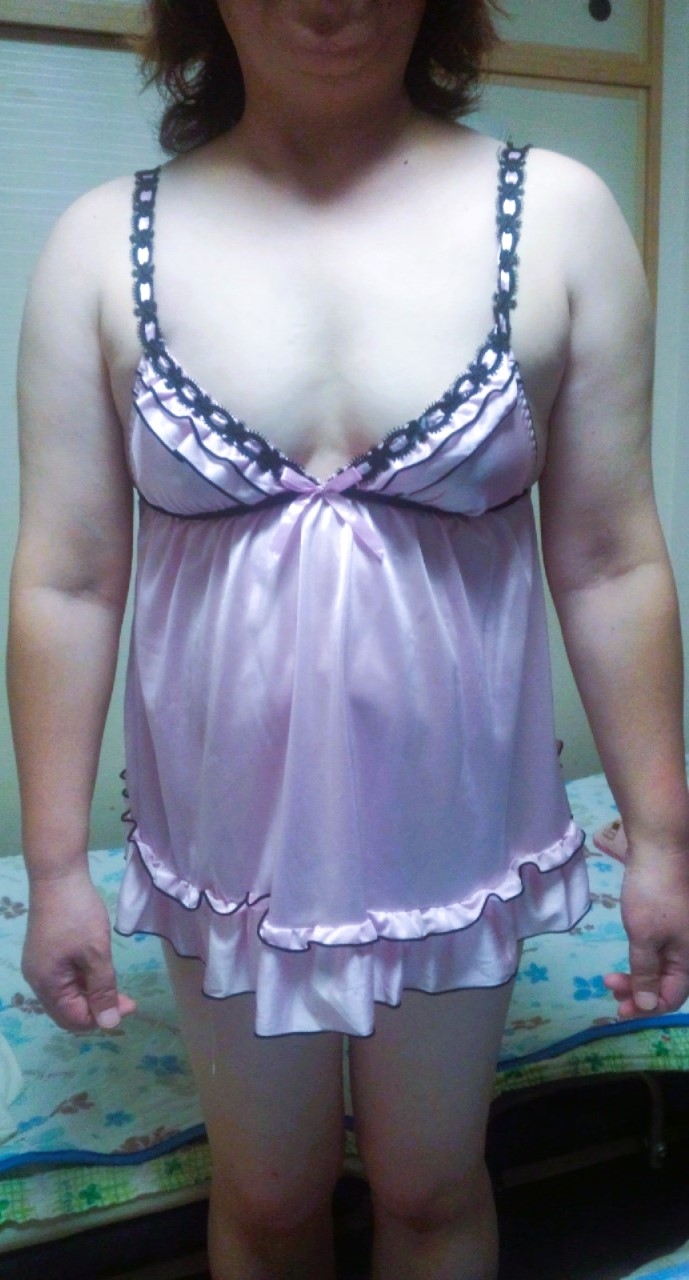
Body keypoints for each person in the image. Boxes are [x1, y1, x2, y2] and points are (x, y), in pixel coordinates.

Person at [7, 2, 689, 1277]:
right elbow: (68, 580)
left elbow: (608, 557)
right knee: (266, 1199)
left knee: (432, 1184)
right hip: (224, 849)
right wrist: (56, 872)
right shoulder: (101, 244)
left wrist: (661, 838)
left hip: (456, 836)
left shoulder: (558, 218)